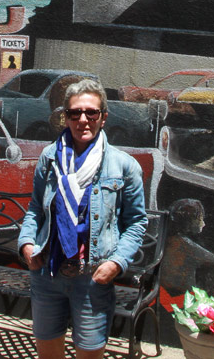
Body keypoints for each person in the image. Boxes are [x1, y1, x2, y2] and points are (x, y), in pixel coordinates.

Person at [18, 78, 147, 359]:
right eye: (75, 113)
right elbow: (36, 210)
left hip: (92, 280)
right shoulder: (49, 158)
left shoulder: (124, 166)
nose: (83, 120)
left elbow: (137, 222)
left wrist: (116, 262)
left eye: (91, 112)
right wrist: (27, 243)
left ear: (103, 117)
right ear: (65, 117)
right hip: (47, 274)